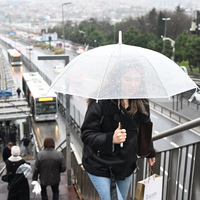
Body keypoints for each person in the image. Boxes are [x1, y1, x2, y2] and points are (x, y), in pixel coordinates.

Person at [81, 98, 156, 200]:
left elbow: (144, 128)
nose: (133, 84)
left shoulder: (141, 102)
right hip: (100, 165)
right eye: (128, 80)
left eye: (136, 81)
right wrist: (110, 138)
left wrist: (149, 152)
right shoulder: (100, 103)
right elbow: (87, 134)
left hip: (125, 166)